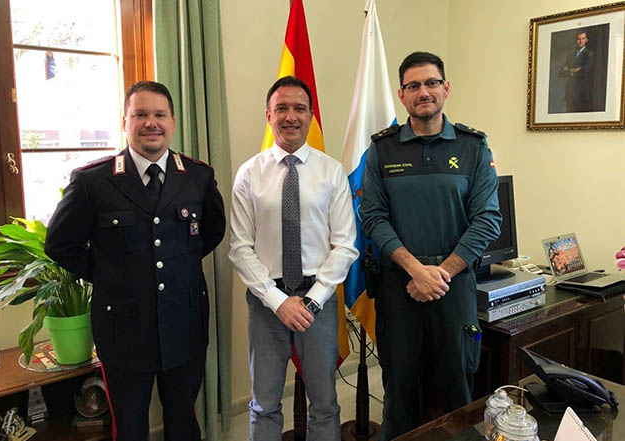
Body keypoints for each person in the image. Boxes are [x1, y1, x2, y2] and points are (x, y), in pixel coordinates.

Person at [45, 81, 225, 441]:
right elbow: (60, 244)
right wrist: (111, 274)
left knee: (183, 423)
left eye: (159, 114)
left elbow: (211, 233)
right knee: (129, 428)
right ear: (124, 121)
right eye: (140, 114)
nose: (151, 123)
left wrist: (177, 266)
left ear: (172, 122)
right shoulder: (93, 181)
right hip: (122, 330)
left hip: (184, 323)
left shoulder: (198, 176)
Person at [361, 52, 502, 440]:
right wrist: (415, 270)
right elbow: (372, 217)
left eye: (431, 83)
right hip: (398, 288)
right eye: (413, 86)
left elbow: (488, 219)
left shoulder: (474, 147)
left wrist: (440, 273)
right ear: (402, 95)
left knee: (458, 392)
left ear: (446, 88)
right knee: (398, 393)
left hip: (453, 288)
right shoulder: (382, 150)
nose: (423, 92)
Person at [229, 76, 359, 441]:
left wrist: (312, 301)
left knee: (325, 403)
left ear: (310, 116)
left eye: (299, 108)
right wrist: (278, 301)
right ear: (268, 115)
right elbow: (240, 247)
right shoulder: (249, 174)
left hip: (318, 300)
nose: (290, 116)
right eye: (281, 108)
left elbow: (345, 245)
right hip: (266, 303)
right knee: (264, 403)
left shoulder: (331, 171)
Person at [559, 30, 595, 112]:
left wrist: (569, 70)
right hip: (570, 93)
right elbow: (561, 73)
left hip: (582, 94)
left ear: (586, 40)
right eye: (579, 39)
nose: (580, 41)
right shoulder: (570, 56)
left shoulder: (590, 54)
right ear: (576, 40)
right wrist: (574, 70)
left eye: (583, 38)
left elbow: (585, 71)